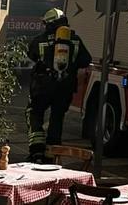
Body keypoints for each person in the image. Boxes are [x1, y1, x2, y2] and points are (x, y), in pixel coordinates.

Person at [26, 8, 92, 161]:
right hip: (65, 88)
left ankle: (37, 151)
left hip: (43, 87)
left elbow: (31, 54)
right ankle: (52, 153)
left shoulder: (40, 40)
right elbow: (86, 60)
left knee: (34, 113)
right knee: (57, 118)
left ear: (48, 23)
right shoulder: (75, 40)